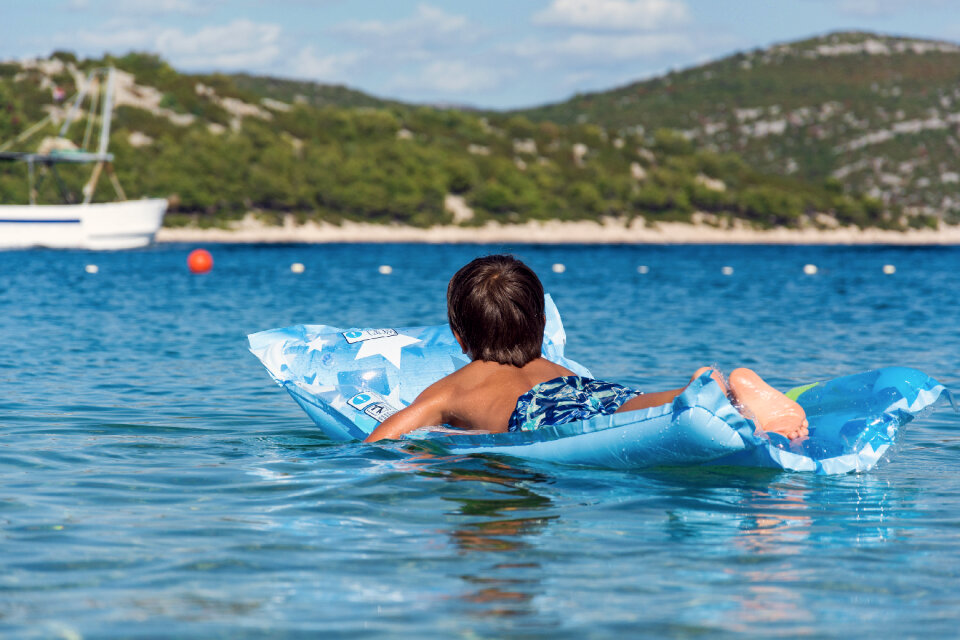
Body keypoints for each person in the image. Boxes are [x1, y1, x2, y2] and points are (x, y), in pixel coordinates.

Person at [365, 255, 808, 443]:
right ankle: (706, 388)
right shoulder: (554, 366)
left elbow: (379, 444)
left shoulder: (449, 392)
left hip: (536, 413)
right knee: (629, 405)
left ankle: (706, 393)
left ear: (459, 336)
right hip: (588, 388)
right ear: (540, 323)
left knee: (602, 421)